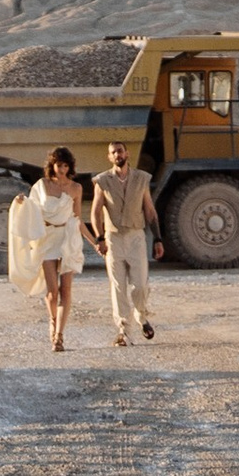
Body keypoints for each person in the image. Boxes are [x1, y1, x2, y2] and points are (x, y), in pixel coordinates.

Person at [90, 138, 161, 347]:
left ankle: (141, 315)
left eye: (120, 151)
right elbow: (95, 212)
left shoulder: (141, 179)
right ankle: (123, 331)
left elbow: (149, 210)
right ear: (109, 157)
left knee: (139, 284)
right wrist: (99, 237)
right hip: (113, 238)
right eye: (113, 153)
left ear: (127, 153)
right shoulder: (102, 181)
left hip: (136, 237)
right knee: (118, 286)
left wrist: (158, 238)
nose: (117, 155)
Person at [25, 148, 87, 353]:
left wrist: (96, 242)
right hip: (47, 238)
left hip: (68, 238)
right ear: (52, 165)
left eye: (66, 165)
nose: (62, 169)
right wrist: (19, 202)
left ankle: (59, 335)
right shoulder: (42, 185)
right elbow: (30, 210)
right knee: (52, 293)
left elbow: (77, 220)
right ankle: (53, 322)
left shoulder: (76, 188)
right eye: (59, 165)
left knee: (66, 290)